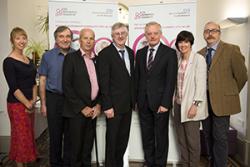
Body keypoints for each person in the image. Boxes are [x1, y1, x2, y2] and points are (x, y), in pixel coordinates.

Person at [198, 21, 248, 167]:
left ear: (219, 33)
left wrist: (229, 94)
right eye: (207, 31)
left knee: (220, 137)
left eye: (214, 30)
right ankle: (212, 162)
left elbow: (242, 76)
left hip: (223, 103)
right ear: (203, 34)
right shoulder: (200, 54)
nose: (210, 33)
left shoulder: (231, 50)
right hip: (205, 103)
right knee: (208, 135)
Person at [135, 21, 177, 167]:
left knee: (161, 137)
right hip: (143, 102)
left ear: (160, 34)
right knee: (147, 136)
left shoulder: (170, 53)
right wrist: (136, 101)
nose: (152, 36)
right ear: (145, 35)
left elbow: (170, 80)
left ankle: (160, 164)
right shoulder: (140, 54)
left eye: (155, 33)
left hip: (160, 104)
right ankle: (149, 162)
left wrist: (165, 103)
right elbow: (138, 79)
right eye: (149, 33)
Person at [97, 22, 135, 167]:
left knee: (123, 140)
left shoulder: (131, 53)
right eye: (117, 34)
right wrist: (107, 106)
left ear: (127, 35)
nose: (120, 36)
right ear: (112, 36)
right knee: (112, 141)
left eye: (123, 33)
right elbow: (103, 83)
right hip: (113, 107)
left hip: (127, 106)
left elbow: (130, 79)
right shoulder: (105, 54)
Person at [62, 28, 101, 167]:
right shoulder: (71, 58)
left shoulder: (98, 60)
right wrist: (81, 108)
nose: (89, 41)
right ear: (80, 41)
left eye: (91, 38)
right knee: (76, 150)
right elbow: (66, 86)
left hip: (92, 111)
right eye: (85, 38)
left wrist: (98, 105)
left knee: (87, 149)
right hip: (76, 112)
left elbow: (102, 85)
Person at [38, 26, 74, 167]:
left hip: (71, 101)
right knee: (55, 135)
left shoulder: (76, 55)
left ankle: (68, 163)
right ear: (56, 39)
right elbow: (42, 80)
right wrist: (44, 104)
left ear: (71, 39)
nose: (65, 39)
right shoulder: (48, 56)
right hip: (54, 99)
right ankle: (55, 163)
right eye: (61, 36)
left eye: (67, 36)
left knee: (70, 136)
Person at [3, 27, 37, 167]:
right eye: (18, 38)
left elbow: (33, 82)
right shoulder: (8, 61)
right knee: (20, 136)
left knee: (28, 135)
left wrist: (34, 100)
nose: (21, 41)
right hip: (17, 104)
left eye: (24, 38)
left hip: (30, 102)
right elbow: (14, 87)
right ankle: (19, 164)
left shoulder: (28, 59)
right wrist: (27, 103)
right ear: (12, 41)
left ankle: (27, 162)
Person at [173, 30, 208, 167]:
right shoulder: (178, 60)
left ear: (191, 43)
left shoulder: (199, 59)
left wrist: (195, 105)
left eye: (186, 41)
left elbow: (201, 84)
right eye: (180, 42)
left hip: (191, 105)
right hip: (178, 104)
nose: (183, 45)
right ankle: (185, 164)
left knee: (193, 142)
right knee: (182, 140)